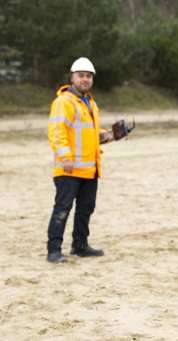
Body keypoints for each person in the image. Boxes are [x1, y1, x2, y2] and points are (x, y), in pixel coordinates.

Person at [46, 57, 114, 263]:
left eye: (88, 76)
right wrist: (65, 157)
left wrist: (110, 135)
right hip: (69, 168)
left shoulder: (90, 103)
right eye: (81, 76)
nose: (85, 79)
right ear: (72, 77)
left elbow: (88, 134)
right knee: (62, 209)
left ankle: (80, 246)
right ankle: (54, 250)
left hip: (90, 169)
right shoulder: (63, 102)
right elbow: (57, 132)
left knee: (86, 209)